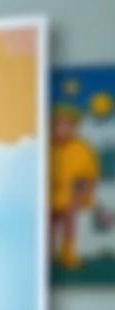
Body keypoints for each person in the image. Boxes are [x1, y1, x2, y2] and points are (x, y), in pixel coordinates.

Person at [50, 103, 100, 270]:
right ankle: (46, 254)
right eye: (59, 124)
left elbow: (89, 173)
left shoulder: (81, 148)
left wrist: (84, 193)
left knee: (69, 225)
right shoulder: (46, 147)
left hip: (70, 195)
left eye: (69, 125)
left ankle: (68, 254)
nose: (63, 129)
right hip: (47, 196)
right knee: (48, 226)